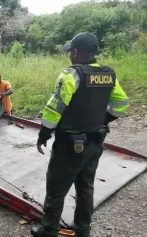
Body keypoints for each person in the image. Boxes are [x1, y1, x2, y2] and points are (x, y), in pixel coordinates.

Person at [31, 32, 129, 237]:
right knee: (86, 186)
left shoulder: (71, 74)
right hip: (95, 143)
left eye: (70, 52)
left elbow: (54, 108)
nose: (69, 55)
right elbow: (121, 104)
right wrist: (102, 121)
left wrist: (43, 135)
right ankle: (83, 230)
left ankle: (49, 229)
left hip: (70, 145)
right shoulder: (108, 74)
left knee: (57, 187)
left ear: (75, 53)